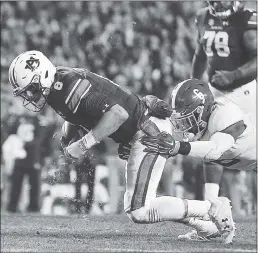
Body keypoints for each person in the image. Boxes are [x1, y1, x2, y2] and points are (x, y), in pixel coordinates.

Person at [9, 50, 233, 243]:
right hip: (138, 131)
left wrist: (84, 143)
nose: (29, 96)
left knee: (140, 209)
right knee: (138, 207)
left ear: (44, 76)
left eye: (31, 88)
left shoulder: (68, 88)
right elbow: (81, 110)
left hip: (147, 131)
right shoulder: (59, 85)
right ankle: (208, 227)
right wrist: (70, 130)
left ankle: (211, 208)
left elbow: (117, 114)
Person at [140, 78, 256, 242]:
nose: (183, 125)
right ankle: (210, 226)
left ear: (203, 109)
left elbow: (215, 151)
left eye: (188, 118)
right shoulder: (204, 128)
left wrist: (177, 147)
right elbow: (209, 159)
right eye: (180, 119)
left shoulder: (225, 114)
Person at [191, 1, 257, 206]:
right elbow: (200, 55)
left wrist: (234, 74)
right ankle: (211, 209)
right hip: (216, 92)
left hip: (244, 91)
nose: (218, 3)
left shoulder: (246, 18)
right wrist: (194, 83)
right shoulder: (203, 16)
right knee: (210, 144)